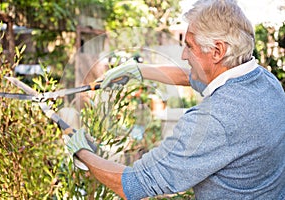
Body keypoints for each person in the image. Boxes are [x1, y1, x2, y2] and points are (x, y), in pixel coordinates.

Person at [66, 0, 285, 199]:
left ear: (217, 51)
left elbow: (131, 184)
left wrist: (82, 151)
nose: (183, 54)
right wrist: (139, 70)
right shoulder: (266, 82)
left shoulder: (213, 121)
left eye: (189, 46)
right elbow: (192, 76)